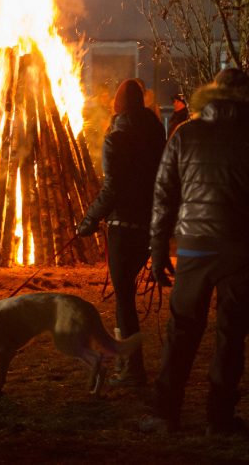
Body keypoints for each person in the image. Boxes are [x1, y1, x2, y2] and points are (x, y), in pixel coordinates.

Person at [141, 68, 249, 436]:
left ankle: (165, 415)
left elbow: (162, 197)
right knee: (231, 334)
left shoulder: (185, 134)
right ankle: (219, 419)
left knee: (182, 331)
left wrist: (158, 251)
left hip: (194, 249)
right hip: (243, 251)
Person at [76, 79, 166, 387]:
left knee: (124, 301)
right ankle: (131, 365)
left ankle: (131, 368)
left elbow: (112, 187)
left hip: (123, 226)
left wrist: (88, 220)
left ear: (117, 104)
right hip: (149, 225)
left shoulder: (116, 137)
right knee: (125, 299)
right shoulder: (156, 133)